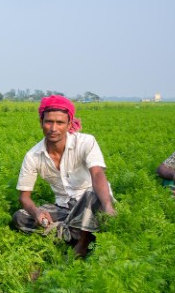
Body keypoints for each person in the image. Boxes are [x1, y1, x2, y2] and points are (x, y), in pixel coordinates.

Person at [12, 95, 116, 258]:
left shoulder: (86, 142)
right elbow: (24, 198)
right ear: (41, 122)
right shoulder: (33, 156)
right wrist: (37, 212)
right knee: (20, 217)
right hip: (64, 208)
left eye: (60, 123)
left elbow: (97, 174)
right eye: (49, 122)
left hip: (94, 204)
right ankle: (80, 233)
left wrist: (108, 206)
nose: (53, 128)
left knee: (91, 194)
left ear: (69, 124)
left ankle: (80, 245)